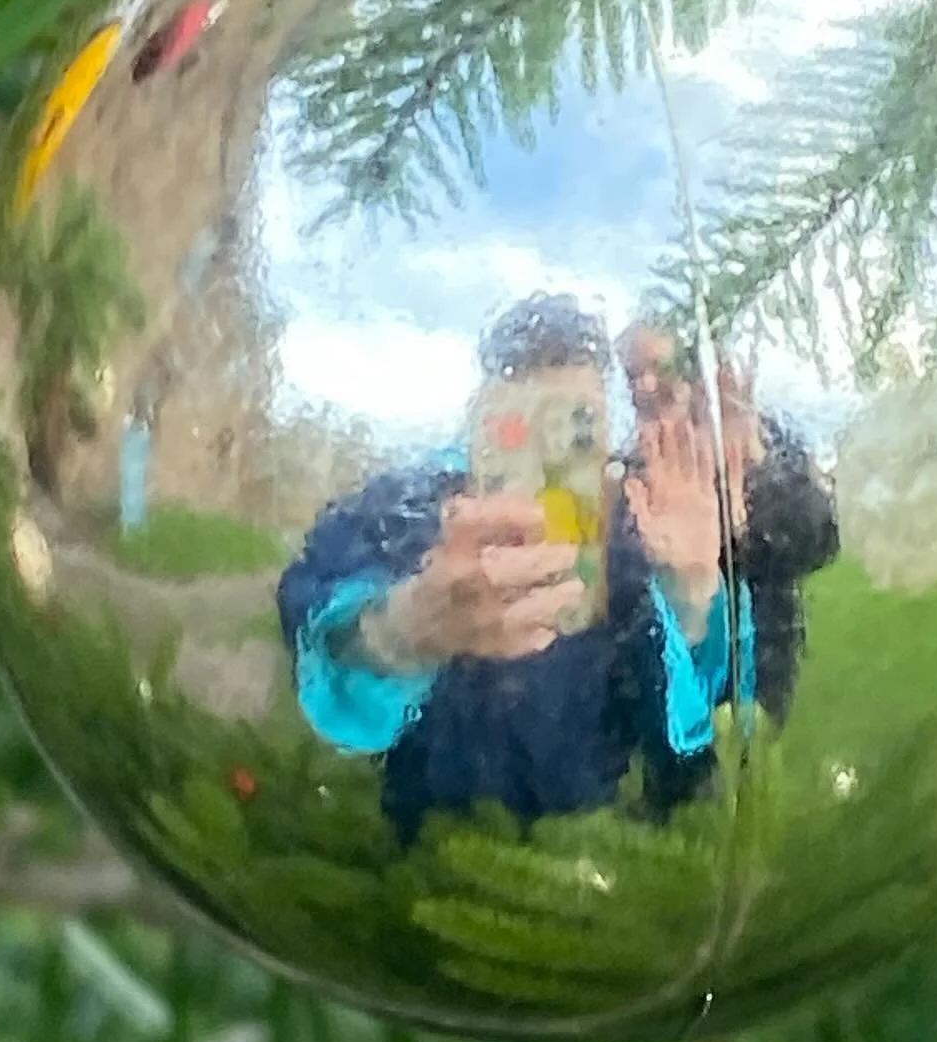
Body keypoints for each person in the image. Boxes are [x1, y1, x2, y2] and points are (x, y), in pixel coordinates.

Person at [276, 295, 836, 845]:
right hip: (421, 849)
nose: (550, 450)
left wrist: (691, 594)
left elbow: (689, 747)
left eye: (578, 423)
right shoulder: (404, 507)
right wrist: (398, 633)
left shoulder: (639, 525)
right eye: (523, 414)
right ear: (483, 407)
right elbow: (312, 636)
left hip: (584, 856)